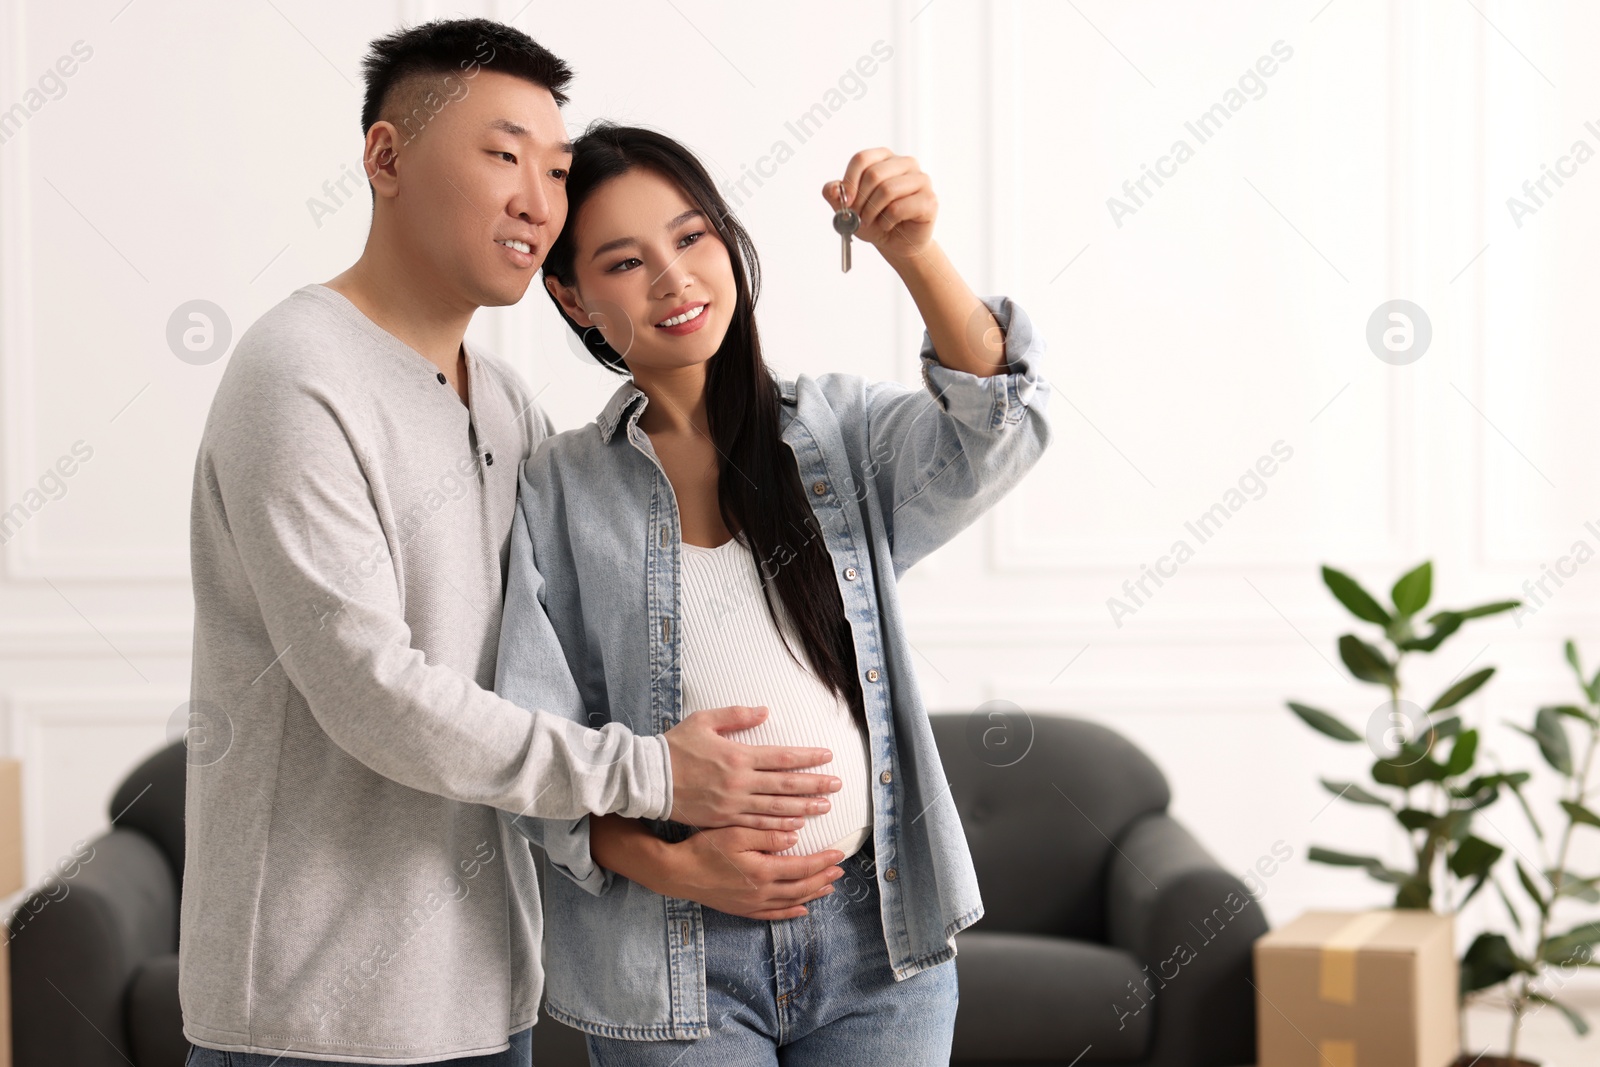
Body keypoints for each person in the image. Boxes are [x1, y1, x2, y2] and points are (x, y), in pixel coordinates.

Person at [182, 20, 844, 1067]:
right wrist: (655, 777)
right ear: (387, 158)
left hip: (491, 996)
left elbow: (560, 669)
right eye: (503, 156)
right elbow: (372, 690)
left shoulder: (508, 407)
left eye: (555, 167)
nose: (539, 198)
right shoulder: (295, 373)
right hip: (313, 1017)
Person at [495, 123, 1051, 1066]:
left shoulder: (838, 432)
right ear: (573, 296)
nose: (674, 280)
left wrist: (913, 252)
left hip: (881, 945)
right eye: (625, 261)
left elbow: (994, 427)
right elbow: (532, 746)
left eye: (692, 237)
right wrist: (676, 861)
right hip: (671, 958)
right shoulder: (555, 488)